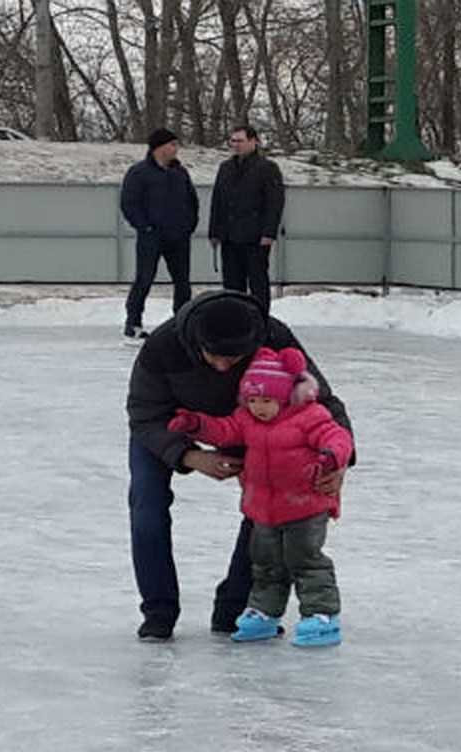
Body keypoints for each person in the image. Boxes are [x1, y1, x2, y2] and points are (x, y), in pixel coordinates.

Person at [127, 288, 353, 642]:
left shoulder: (273, 336)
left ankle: (234, 608)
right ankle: (158, 611)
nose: (222, 366)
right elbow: (144, 416)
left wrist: (340, 462)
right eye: (214, 356)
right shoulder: (163, 345)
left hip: (251, 423)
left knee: (269, 505)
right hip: (170, 425)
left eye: (234, 360)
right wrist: (190, 455)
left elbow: (322, 402)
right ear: (196, 341)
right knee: (147, 505)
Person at [167, 347, 354, 647]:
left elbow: (336, 436)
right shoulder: (247, 419)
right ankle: (265, 614)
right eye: (252, 400)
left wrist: (332, 458)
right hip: (263, 509)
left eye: (266, 401)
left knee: (305, 560)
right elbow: (224, 430)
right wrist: (196, 425)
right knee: (266, 564)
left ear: (285, 397)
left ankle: (321, 615)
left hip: (305, 506)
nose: (258, 407)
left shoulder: (309, 416)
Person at [119, 127, 199, 341]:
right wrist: (144, 226)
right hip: (151, 235)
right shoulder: (139, 172)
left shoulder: (180, 172)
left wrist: (189, 224)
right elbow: (129, 203)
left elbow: (192, 200)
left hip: (179, 236)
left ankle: (181, 323)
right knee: (144, 278)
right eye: (172, 144)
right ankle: (133, 322)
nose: (176, 149)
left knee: (182, 281)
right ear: (158, 147)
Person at [208, 124, 285, 308]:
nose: (236, 145)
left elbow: (275, 202)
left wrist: (269, 233)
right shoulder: (225, 168)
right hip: (229, 236)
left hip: (255, 237)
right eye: (233, 141)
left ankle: (260, 322)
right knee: (232, 285)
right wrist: (214, 231)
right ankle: (235, 324)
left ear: (253, 141)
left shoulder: (267, 168)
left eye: (240, 141)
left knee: (258, 283)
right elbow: (217, 200)